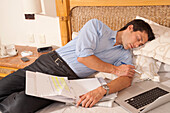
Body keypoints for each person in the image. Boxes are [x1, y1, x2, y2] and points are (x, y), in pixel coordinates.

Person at [0, 19, 155, 113]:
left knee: (18, 106)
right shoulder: (97, 27)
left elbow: (126, 80)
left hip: (65, 79)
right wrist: (115, 69)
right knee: (3, 87)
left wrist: (102, 90)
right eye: (138, 38)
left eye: (141, 44)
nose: (137, 45)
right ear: (130, 28)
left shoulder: (125, 55)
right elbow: (84, 58)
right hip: (49, 62)